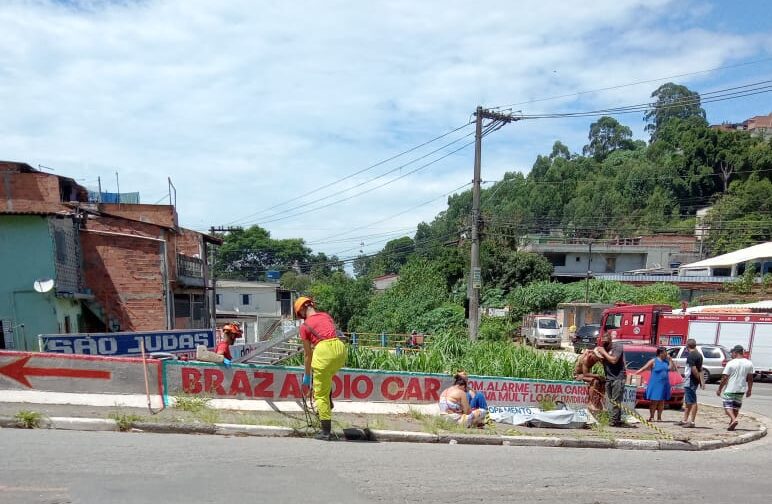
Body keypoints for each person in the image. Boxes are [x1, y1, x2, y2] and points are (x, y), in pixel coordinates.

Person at [295, 296, 347, 441]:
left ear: (302, 311)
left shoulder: (305, 326)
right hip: (340, 349)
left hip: (324, 352)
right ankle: (328, 396)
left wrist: (306, 377)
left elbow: (307, 354)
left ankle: (326, 432)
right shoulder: (326, 316)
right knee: (327, 378)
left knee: (320, 395)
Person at [593, 332, 630, 427]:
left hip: (618, 378)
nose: (604, 343)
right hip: (609, 378)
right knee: (611, 400)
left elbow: (614, 360)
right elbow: (603, 361)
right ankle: (616, 419)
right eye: (602, 341)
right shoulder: (604, 348)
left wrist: (603, 352)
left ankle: (614, 421)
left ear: (610, 339)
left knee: (616, 400)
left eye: (605, 341)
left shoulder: (617, 347)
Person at [716, 345, 754, 431]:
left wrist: (719, 389)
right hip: (741, 389)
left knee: (727, 407)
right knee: (736, 407)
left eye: (732, 352)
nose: (731, 354)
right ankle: (731, 424)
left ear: (736, 353)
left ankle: (734, 419)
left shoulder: (731, 363)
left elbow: (725, 378)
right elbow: (750, 378)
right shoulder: (749, 363)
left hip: (730, 389)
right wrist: (749, 390)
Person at [634, 347, 675, 422]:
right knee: (654, 401)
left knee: (661, 401)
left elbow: (671, 368)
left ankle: (659, 417)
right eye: (665, 352)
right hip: (655, 384)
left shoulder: (666, 361)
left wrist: (670, 360)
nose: (667, 354)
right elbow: (644, 368)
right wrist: (634, 374)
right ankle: (651, 417)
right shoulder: (654, 361)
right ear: (661, 353)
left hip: (664, 384)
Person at [677, 339, 705, 428]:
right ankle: (685, 420)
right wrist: (701, 381)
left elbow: (694, 369)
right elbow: (700, 369)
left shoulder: (691, 356)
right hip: (693, 381)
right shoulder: (699, 355)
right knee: (688, 401)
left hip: (690, 380)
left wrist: (700, 380)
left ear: (687, 346)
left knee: (692, 401)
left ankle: (692, 422)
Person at [573, 349, 605, 414]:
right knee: (595, 381)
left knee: (603, 381)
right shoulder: (586, 359)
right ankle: (591, 402)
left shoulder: (594, 358)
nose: (598, 360)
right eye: (597, 358)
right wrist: (597, 375)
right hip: (578, 375)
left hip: (584, 374)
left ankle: (599, 401)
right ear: (593, 354)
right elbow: (585, 374)